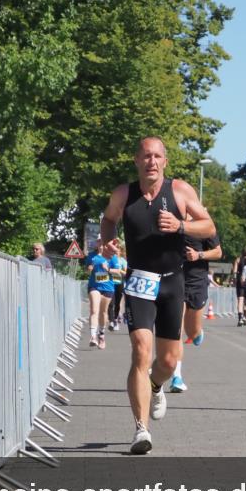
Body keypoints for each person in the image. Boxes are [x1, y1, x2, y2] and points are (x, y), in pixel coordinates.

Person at [101, 136, 217, 455]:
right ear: (136, 160)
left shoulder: (180, 191)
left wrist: (181, 226)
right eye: (146, 156)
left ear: (165, 161)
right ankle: (141, 430)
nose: (151, 161)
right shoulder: (123, 194)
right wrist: (108, 241)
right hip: (139, 281)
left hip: (172, 283)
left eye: (157, 156)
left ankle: (155, 385)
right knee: (141, 351)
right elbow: (108, 220)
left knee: (168, 360)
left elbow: (208, 227)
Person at [170, 217, 223, 392]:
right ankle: (176, 376)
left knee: (191, 332)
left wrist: (198, 255)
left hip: (196, 281)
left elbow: (218, 252)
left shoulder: (204, 225)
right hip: (175, 280)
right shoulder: (171, 220)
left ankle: (197, 332)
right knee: (176, 330)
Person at [86, 240, 121, 349]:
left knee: (103, 312)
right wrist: (89, 269)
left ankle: (101, 335)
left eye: (103, 242)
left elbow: (118, 271)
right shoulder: (92, 256)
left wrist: (108, 269)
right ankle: (93, 336)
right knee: (94, 310)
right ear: (97, 244)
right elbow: (87, 271)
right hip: (94, 286)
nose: (101, 244)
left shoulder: (112, 256)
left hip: (107, 288)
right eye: (99, 242)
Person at [107, 244, 127, 331]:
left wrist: (119, 271)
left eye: (118, 250)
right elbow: (106, 270)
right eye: (115, 250)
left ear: (120, 251)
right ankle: (111, 321)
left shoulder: (122, 260)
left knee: (117, 303)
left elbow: (126, 273)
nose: (116, 251)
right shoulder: (110, 259)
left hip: (119, 283)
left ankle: (115, 318)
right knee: (111, 303)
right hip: (110, 283)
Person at [233, 249, 246, 326]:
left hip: (240, 280)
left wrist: (234, 280)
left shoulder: (238, 259)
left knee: (240, 299)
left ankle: (240, 318)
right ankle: (245, 318)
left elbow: (235, 271)